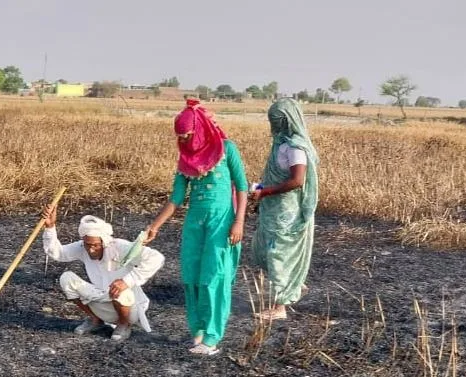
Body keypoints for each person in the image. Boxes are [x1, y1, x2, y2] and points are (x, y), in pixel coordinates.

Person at [144, 98, 249, 356]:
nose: (184, 141)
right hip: (194, 224)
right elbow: (176, 198)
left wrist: (239, 221)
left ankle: (213, 336)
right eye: (179, 137)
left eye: (188, 135)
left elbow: (243, 186)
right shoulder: (186, 160)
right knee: (192, 276)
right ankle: (198, 330)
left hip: (221, 223)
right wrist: (155, 226)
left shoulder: (227, 149)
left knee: (214, 276)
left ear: (200, 129)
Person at [42, 205, 165, 342]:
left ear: (104, 242)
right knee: (67, 278)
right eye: (88, 245)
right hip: (102, 303)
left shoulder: (119, 246)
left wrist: (127, 281)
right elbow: (58, 253)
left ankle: (124, 325)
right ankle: (96, 320)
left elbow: (157, 258)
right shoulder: (83, 247)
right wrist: (50, 227)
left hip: (130, 308)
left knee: (121, 288)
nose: (91, 250)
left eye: (95, 245)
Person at [249, 97, 319, 321]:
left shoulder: (296, 147)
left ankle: (280, 308)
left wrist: (265, 192)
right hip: (274, 209)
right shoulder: (281, 144)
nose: (273, 125)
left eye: (276, 120)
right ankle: (294, 284)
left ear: (286, 120)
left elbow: (297, 180)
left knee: (278, 254)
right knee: (263, 250)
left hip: (286, 213)